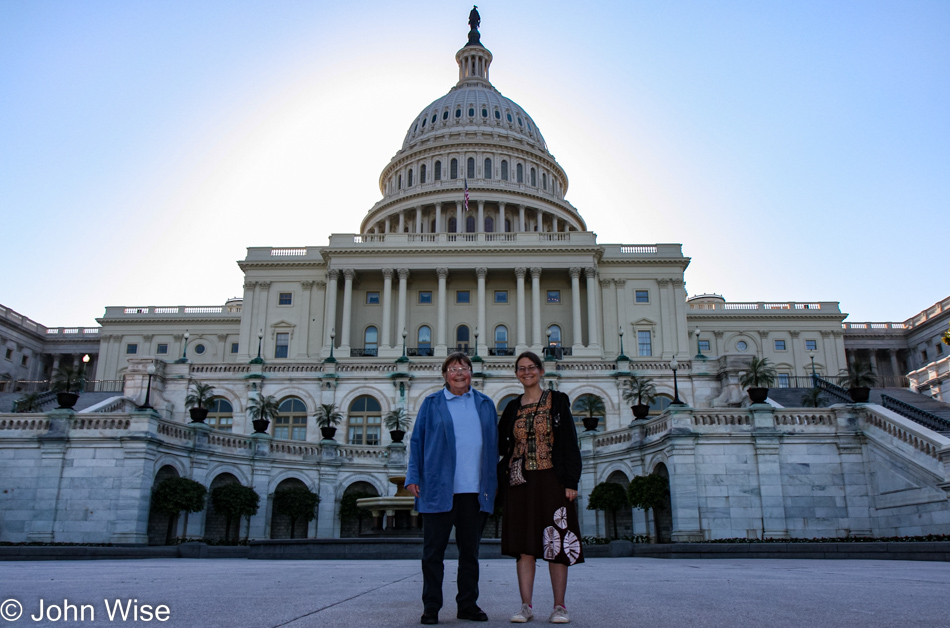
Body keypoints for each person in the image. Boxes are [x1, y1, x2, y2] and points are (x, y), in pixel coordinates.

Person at [406, 352, 499, 625]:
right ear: (445, 374)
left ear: (472, 373)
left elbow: (493, 447)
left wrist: (493, 483)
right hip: (438, 488)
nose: (460, 373)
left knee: (470, 553)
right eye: (453, 368)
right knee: (432, 553)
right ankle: (431, 606)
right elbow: (417, 442)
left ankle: (467, 605)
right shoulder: (431, 403)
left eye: (465, 368)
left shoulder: (484, 404)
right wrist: (413, 475)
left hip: (474, 491)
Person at [498, 351, 583, 624]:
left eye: (531, 367)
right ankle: (526, 606)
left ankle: (560, 606)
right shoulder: (512, 407)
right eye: (521, 369)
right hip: (520, 482)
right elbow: (500, 441)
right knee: (525, 545)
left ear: (541, 371)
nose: (526, 372)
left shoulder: (557, 402)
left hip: (552, 479)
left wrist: (571, 481)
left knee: (556, 541)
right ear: (516, 374)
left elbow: (569, 440)